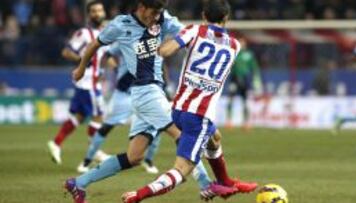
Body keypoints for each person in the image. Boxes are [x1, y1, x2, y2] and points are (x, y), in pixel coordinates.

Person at [64, 1, 235, 202]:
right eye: (153, 12)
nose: (156, 17)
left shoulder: (163, 19)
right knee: (183, 135)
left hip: (154, 92)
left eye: (159, 13)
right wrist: (81, 68)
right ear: (142, 7)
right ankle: (207, 185)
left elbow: (190, 35)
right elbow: (95, 44)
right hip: (145, 92)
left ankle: (79, 183)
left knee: (134, 156)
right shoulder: (121, 24)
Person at [122, 0, 258, 202]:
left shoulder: (193, 31)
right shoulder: (235, 45)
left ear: (204, 16)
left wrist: (154, 40)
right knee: (182, 169)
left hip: (178, 109)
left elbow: (165, 51)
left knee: (215, 137)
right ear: (227, 18)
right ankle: (138, 195)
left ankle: (224, 181)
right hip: (199, 116)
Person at [77, 43, 161, 174]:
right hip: (123, 95)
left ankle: (148, 161)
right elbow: (107, 54)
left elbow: (161, 64)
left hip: (146, 94)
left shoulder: (155, 39)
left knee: (158, 125)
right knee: (107, 127)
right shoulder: (125, 36)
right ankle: (87, 160)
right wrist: (110, 69)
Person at [47, 0, 109, 166]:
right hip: (88, 83)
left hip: (92, 82)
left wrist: (103, 69)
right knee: (98, 116)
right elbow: (66, 52)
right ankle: (94, 151)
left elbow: (103, 57)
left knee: (79, 117)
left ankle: (56, 142)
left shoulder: (105, 33)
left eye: (100, 10)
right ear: (89, 15)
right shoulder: (84, 33)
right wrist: (82, 59)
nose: (98, 14)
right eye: (94, 11)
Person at [227, 37, 262, 129]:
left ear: (245, 44)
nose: (241, 45)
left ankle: (246, 122)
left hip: (246, 81)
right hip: (234, 79)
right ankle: (229, 121)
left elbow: (254, 68)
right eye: (240, 43)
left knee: (245, 101)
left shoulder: (249, 55)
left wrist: (256, 80)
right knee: (231, 99)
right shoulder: (234, 53)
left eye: (243, 43)